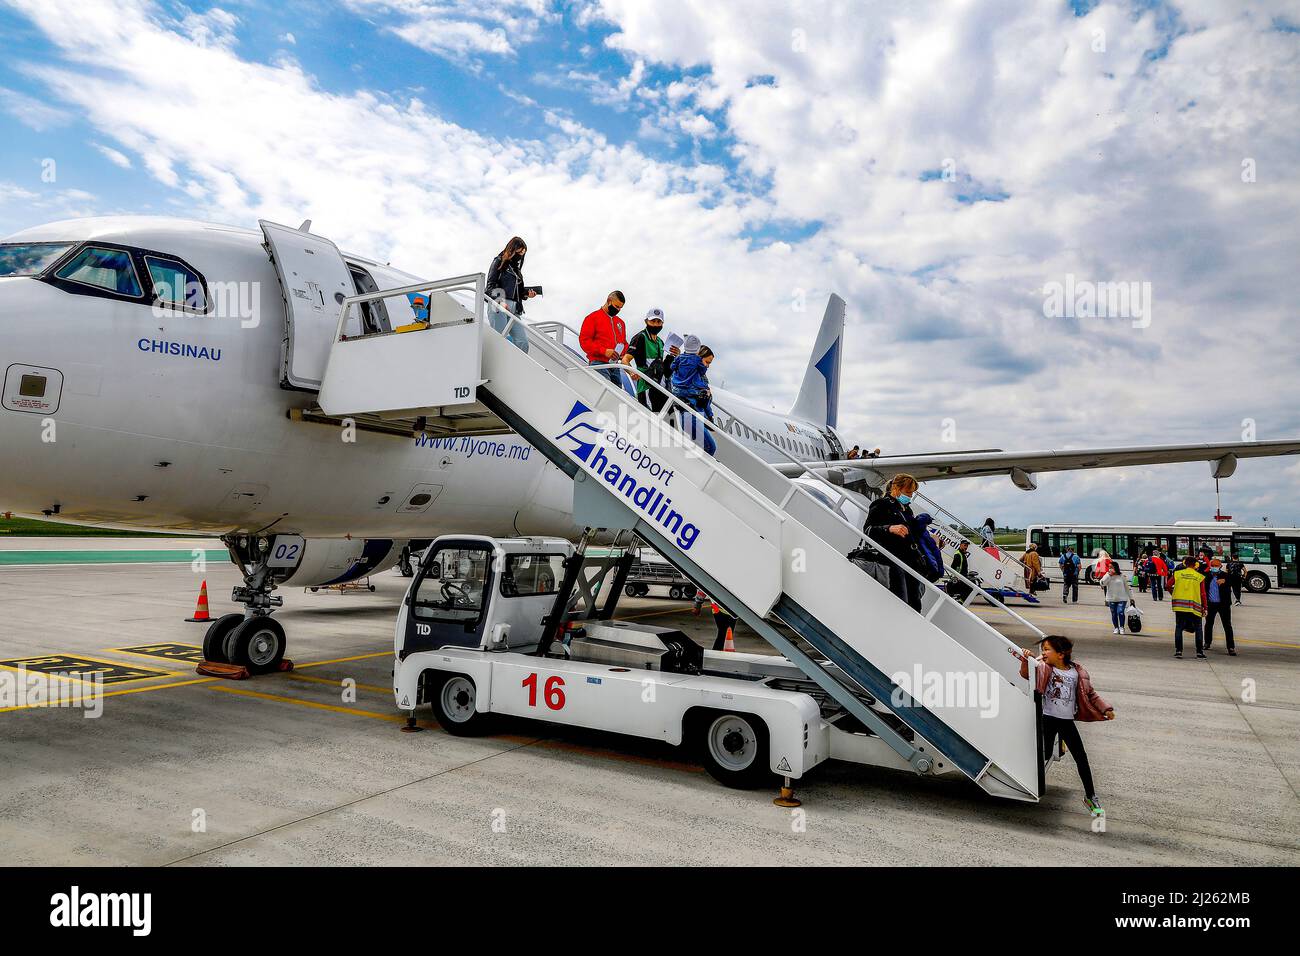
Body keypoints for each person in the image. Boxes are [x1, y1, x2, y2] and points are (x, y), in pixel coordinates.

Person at [1013, 635, 1115, 817]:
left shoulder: (1077, 673)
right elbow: (1025, 674)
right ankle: (1024, 781)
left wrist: (1105, 708)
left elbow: (1091, 694)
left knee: (1081, 758)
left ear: (1061, 654)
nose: (1043, 652)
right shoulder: (1043, 667)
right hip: (1048, 718)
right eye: (1042, 649)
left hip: (1066, 721)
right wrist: (1025, 659)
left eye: (1046, 649)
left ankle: (1091, 797)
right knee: (1043, 754)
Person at [864, 473, 928, 611]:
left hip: (909, 563)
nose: (910, 496)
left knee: (914, 604)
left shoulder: (906, 509)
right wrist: (889, 528)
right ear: (896, 489)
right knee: (901, 602)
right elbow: (868, 530)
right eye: (908, 492)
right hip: (892, 562)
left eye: (912, 493)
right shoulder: (881, 504)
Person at [669, 336, 717, 456]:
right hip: (691, 415)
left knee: (708, 448)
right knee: (710, 448)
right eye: (707, 362)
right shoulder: (692, 377)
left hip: (696, 415)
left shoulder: (699, 378)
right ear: (698, 359)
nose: (707, 366)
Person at [486, 237, 535, 349]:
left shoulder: (516, 269)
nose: (521, 256)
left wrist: (527, 294)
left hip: (515, 308)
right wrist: (500, 301)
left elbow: (517, 291)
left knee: (523, 343)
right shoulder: (498, 261)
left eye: (523, 253)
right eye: (519, 252)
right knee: (499, 340)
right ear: (512, 249)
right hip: (499, 305)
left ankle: (518, 366)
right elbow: (490, 286)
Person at [579, 291, 628, 386]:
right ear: (609, 301)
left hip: (615, 366)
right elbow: (584, 341)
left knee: (617, 397)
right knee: (607, 393)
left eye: (620, 308)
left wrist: (622, 353)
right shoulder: (592, 318)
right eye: (617, 306)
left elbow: (624, 343)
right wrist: (604, 351)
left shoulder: (620, 323)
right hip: (598, 364)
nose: (618, 310)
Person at [624, 307, 669, 411]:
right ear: (646, 321)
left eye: (659, 322)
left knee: (667, 423)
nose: (656, 324)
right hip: (646, 386)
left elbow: (663, 367)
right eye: (653, 321)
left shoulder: (660, 342)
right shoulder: (640, 337)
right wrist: (631, 373)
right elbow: (625, 360)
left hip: (661, 387)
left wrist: (674, 355)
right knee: (651, 423)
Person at [1171, 555, 1207, 659]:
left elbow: (1168, 585)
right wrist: (1205, 607)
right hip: (1195, 606)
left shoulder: (1177, 574)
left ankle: (1178, 651)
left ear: (1185, 563)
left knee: (1179, 627)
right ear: (1195, 564)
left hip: (1180, 605)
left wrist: (1174, 594)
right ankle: (1199, 652)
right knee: (1198, 628)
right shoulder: (1199, 576)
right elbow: (1203, 594)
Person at [1204, 559, 1237, 656]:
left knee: (1227, 625)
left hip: (1223, 605)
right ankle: (1207, 642)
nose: (1214, 567)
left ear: (1220, 566)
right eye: (1213, 565)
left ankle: (1231, 647)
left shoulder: (1225, 575)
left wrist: (1226, 581)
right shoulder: (1207, 576)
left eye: (1216, 566)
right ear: (1210, 566)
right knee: (1209, 624)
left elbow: (1235, 582)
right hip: (1211, 604)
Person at [1101, 564, 1134, 634]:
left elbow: (1127, 588)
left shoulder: (1122, 576)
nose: (1110, 569)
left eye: (1111, 567)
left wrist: (1131, 598)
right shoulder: (1107, 576)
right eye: (1109, 567)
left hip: (1122, 598)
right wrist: (1108, 576)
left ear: (1116, 568)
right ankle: (1116, 628)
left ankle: (1121, 627)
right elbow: (1102, 583)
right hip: (1111, 598)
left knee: (1120, 612)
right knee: (1114, 613)